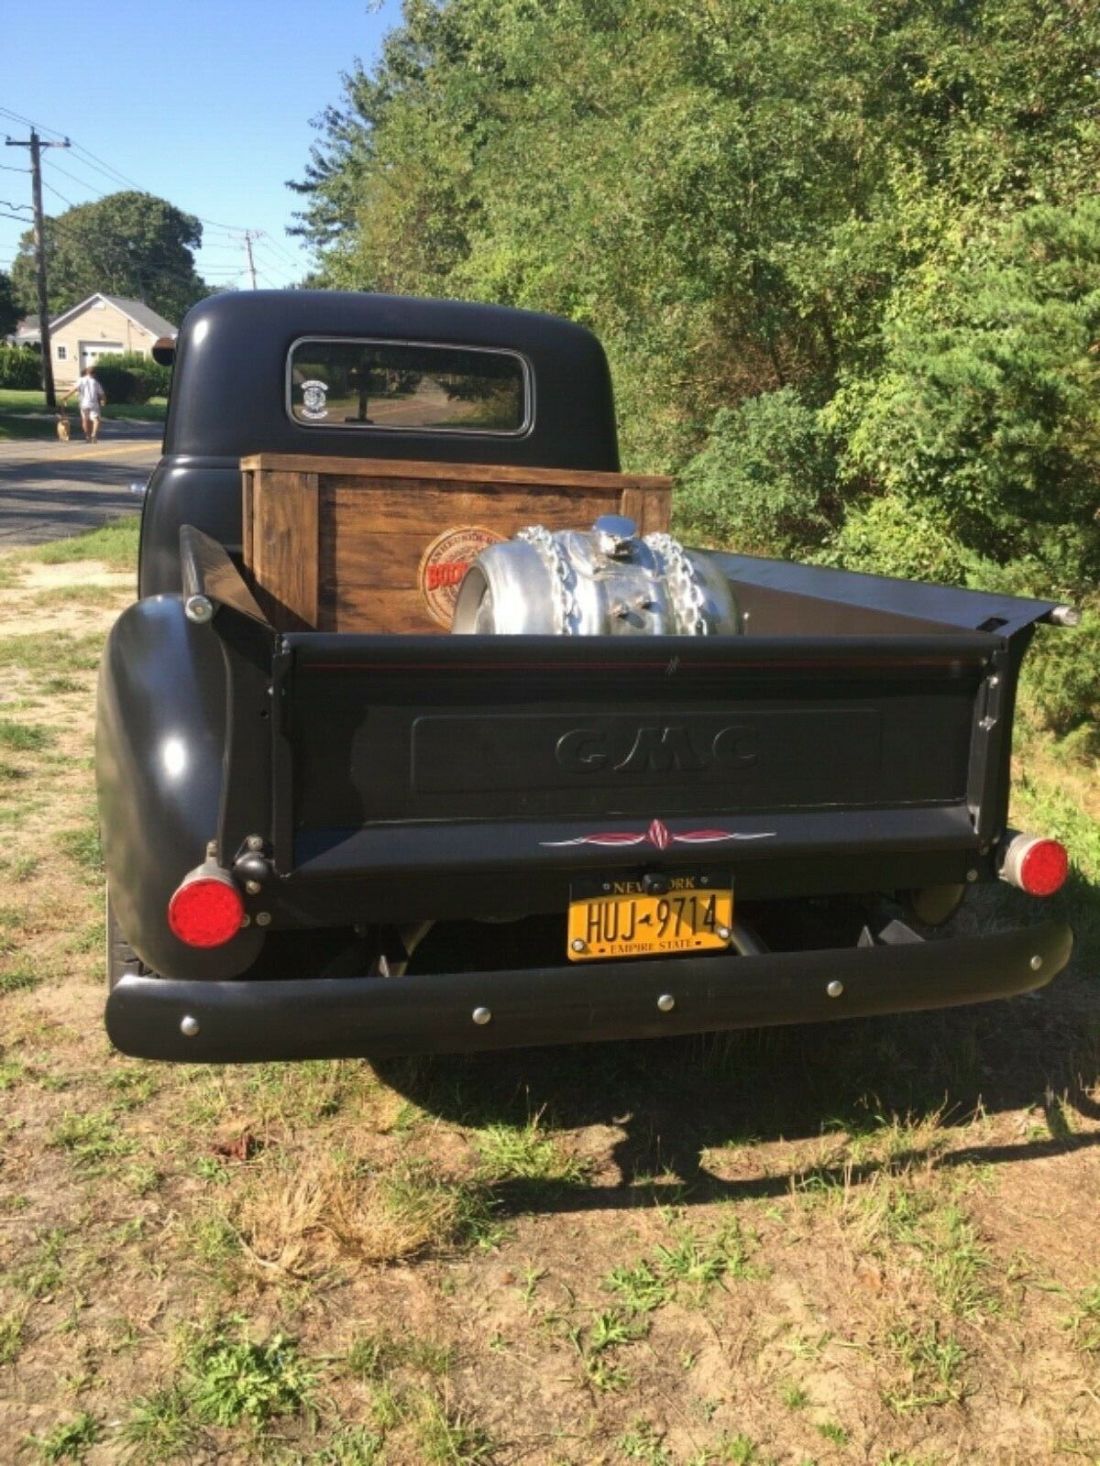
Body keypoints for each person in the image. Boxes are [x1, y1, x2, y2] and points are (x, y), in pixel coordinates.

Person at [64, 365, 107, 443]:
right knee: (96, 420)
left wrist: (66, 396)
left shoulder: (81, 380)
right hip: (93, 403)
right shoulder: (95, 382)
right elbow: (102, 394)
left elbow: (74, 389)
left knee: (85, 420)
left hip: (84, 403)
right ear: (94, 374)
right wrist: (103, 401)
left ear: (86, 372)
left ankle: (87, 436)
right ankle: (93, 434)